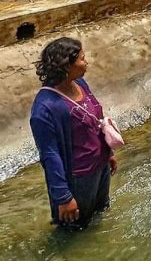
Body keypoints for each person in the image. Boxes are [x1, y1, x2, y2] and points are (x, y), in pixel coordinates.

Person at [29, 37, 117, 228]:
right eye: (82, 58)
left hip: (100, 167)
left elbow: (96, 120)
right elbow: (49, 155)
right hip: (79, 177)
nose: (86, 62)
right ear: (66, 66)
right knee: (77, 227)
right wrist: (63, 197)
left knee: (100, 214)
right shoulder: (45, 108)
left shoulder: (80, 84)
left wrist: (108, 153)